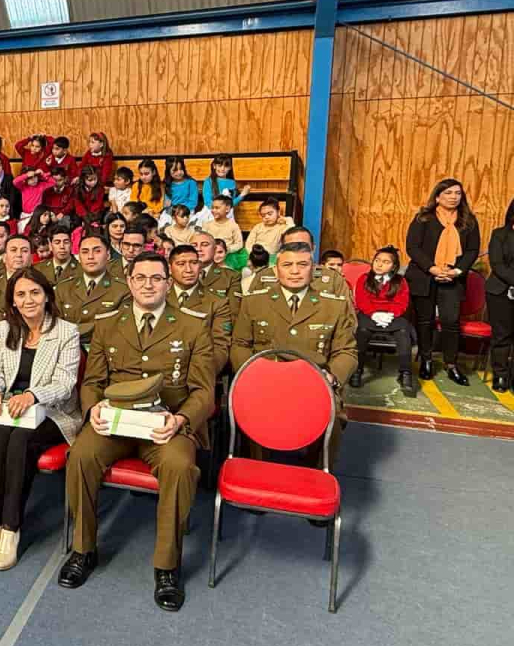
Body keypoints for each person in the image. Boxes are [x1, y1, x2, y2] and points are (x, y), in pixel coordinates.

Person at [59, 252, 215, 608]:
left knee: (179, 467)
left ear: (168, 283)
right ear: (129, 282)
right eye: (140, 278)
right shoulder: (107, 323)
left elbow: (204, 392)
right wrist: (93, 408)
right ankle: (83, 549)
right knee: (80, 455)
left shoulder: (192, 326)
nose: (148, 285)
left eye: (156, 278)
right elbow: (93, 381)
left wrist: (181, 420)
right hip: (115, 422)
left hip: (165, 423)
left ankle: (167, 566)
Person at [0, 268, 80, 569]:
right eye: (21, 294)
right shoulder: (5, 328)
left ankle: (11, 528)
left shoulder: (66, 331)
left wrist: (33, 395)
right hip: (10, 409)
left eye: (35, 292)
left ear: (47, 296)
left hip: (52, 411)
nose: (28, 300)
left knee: (20, 440)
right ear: (13, 301)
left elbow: (65, 384)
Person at [231, 243, 358, 467]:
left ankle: (315, 472)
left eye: (302, 264)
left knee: (334, 416)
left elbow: (346, 351)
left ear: (313, 268)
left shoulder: (334, 306)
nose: (295, 271)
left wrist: (332, 377)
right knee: (248, 410)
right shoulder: (254, 302)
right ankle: (256, 470)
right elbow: (240, 344)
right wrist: (250, 375)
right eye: (287, 265)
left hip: (314, 385)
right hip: (265, 384)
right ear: (276, 269)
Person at [404, 179, 481, 385]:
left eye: (457, 193)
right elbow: (412, 247)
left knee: (450, 322)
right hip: (424, 276)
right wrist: (433, 269)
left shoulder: (468, 221)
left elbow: (472, 250)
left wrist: (456, 271)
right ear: (437, 197)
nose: (453, 197)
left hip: (453, 278)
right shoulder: (423, 218)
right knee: (425, 321)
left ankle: (451, 364)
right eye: (448, 193)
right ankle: (426, 360)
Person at [350, 246, 417, 397]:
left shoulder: (400, 281)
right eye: (377, 260)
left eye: (385, 262)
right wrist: (374, 314)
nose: (379, 264)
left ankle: (405, 373)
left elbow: (402, 302)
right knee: (362, 330)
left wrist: (390, 315)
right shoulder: (363, 278)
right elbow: (361, 300)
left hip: (391, 316)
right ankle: (357, 370)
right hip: (369, 314)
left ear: (393, 266)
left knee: (403, 331)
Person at [168, 244, 232, 372]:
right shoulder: (159, 297)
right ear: (170, 268)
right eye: (181, 264)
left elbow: (220, 348)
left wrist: (201, 374)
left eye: (194, 263)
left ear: (200, 266)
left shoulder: (217, 302)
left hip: (198, 373)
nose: (188, 270)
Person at [55, 234, 129, 344]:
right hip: (67, 347)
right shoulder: (63, 288)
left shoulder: (123, 289)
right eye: (85, 252)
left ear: (108, 255)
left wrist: (71, 330)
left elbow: (119, 328)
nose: (90, 256)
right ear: (79, 257)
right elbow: (56, 327)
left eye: (97, 251)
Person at [0, 234, 35, 336]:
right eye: (13, 250)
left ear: (31, 258)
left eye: (24, 251)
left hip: (28, 335)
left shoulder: (39, 284)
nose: (19, 255)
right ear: (4, 257)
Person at [487, 198, 514, 392]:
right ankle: (501, 375)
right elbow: (497, 264)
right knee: (501, 335)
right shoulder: (499, 234)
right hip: (500, 291)